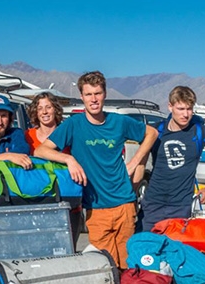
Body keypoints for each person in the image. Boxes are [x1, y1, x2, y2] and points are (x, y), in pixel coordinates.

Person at [35, 71, 158, 267]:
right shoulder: (74, 124)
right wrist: (69, 159)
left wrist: (134, 162)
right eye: (89, 94)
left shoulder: (119, 121)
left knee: (129, 265)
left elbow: (151, 133)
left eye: (98, 93)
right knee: (106, 267)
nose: (94, 99)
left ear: (105, 94)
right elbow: (41, 150)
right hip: (96, 207)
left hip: (124, 203)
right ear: (82, 96)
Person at [139, 86, 205, 233]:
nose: (186, 114)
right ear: (170, 106)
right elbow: (141, 162)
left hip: (181, 206)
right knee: (146, 248)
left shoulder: (202, 132)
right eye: (180, 109)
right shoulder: (155, 131)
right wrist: (133, 192)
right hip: (153, 203)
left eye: (189, 109)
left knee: (175, 252)